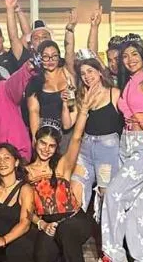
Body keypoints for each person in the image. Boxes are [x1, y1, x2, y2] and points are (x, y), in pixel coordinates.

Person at [100, 12, 143, 262]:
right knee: (137, 202)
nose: (129, 59)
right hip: (125, 143)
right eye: (125, 56)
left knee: (114, 194)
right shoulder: (127, 83)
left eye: (134, 54)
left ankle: (112, 253)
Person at [67, 54, 122, 251]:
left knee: (106, 200)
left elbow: (130, 118)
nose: (87, 76)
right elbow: (67, 123)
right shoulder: (82, 96)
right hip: (86, 149)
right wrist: (68, 103)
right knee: (74, 194)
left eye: (90, 71)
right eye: (83, 73)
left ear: (100, 72)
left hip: (107, 151)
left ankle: (108, 250)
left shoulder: (114, 93)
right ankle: (71, 246)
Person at [23, 105, 92, 262]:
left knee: (65, 231)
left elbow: (76, 138)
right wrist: (41, 224)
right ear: (35, 142)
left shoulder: (62, 165)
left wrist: (83, 111)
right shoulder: (25, 172)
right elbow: (27, 209)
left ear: (56, 148)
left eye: (51, 145)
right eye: (43, 143)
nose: (46, 149)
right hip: (49, 224)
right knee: (42, 255)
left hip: (75, 220)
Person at [26, 40, 75, 142]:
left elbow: (69, 50)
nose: (50, 60)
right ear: (39, 58)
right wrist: (35, 137)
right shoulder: (34, 81)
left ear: (59, 56)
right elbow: (34, 111)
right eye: (45, 56)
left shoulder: (68, 73)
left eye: (54, 56)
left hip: (68, 127)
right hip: (46, 130)